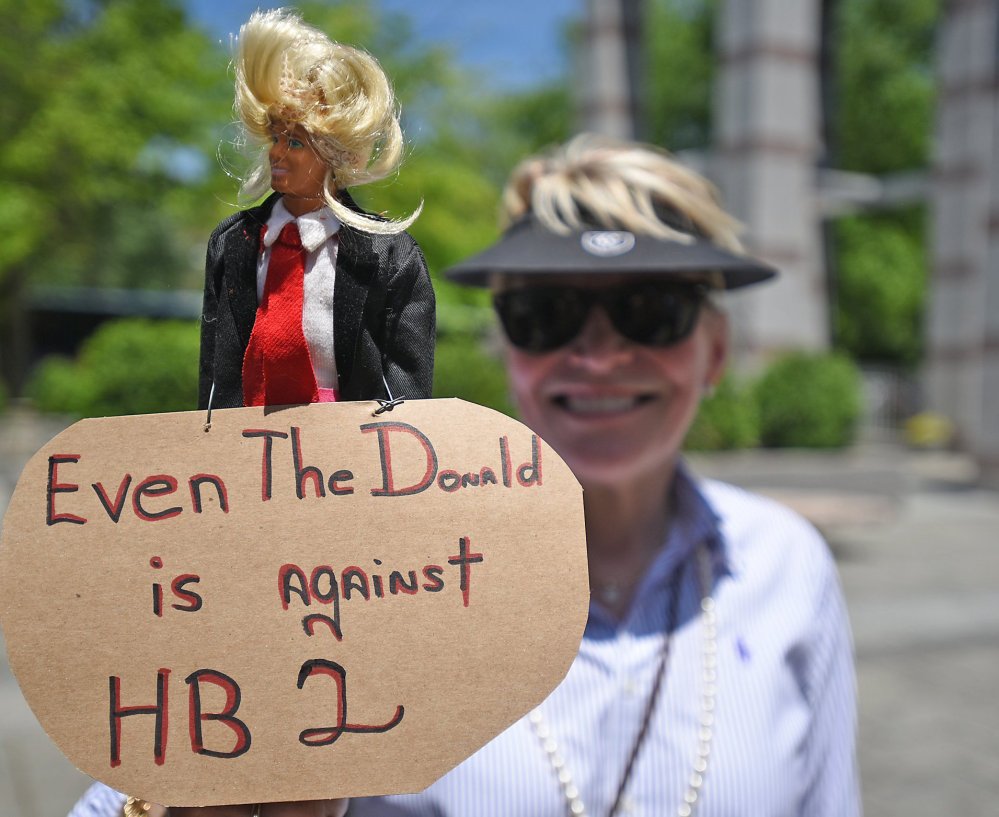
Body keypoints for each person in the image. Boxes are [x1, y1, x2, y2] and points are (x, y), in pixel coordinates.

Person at [68, 135, 859, 816]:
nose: (599, 354)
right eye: (545, 312)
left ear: (714, 350)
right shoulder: (379, 565)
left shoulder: (785, 563)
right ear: (506, 348)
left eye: (651, 309)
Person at [199, 8, 434, 413]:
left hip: (346, 444)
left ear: (334, 154)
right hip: (245, 431)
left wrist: (399, 441)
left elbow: (408, 368)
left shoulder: (387, 254)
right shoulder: (233, 243)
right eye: (274, 137)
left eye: (294, 143)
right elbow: (214, 361)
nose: (275, 152)